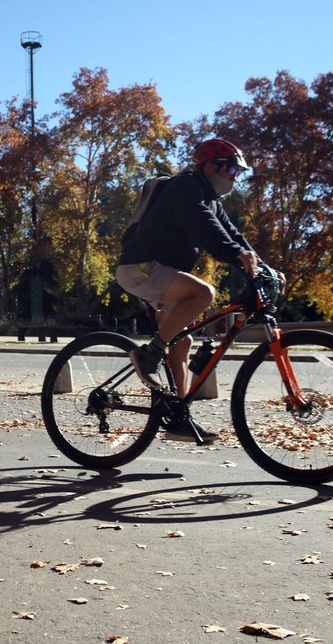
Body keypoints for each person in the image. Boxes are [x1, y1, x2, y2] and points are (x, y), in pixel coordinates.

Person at [116, 139, 284, 442]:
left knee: (181, 342)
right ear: (210, 167)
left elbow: (233, 235)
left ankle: (177, 419)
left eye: (238, 172)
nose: (235, 177)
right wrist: (235, 254)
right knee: (204, 294)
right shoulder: (184, 188)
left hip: (163, 273)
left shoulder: (211, 201)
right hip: (140, 267)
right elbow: (208, 230)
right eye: (231, 169)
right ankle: (148, 355)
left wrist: (265, 267)